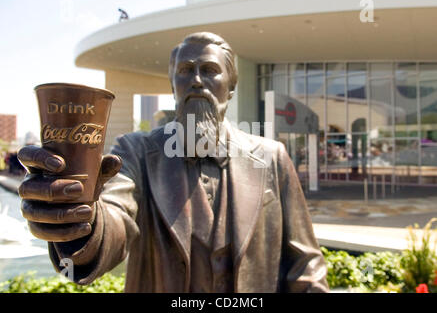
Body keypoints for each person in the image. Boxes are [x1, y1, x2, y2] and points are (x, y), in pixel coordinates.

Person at [17, 32, 328, 293]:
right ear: (173, 86)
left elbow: (305, 263)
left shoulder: (271, 158)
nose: (196, 80)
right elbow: (115, 215)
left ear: (231, 87)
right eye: (185, 71)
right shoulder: (136, 150)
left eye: (209, 70)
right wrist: (79, 219)